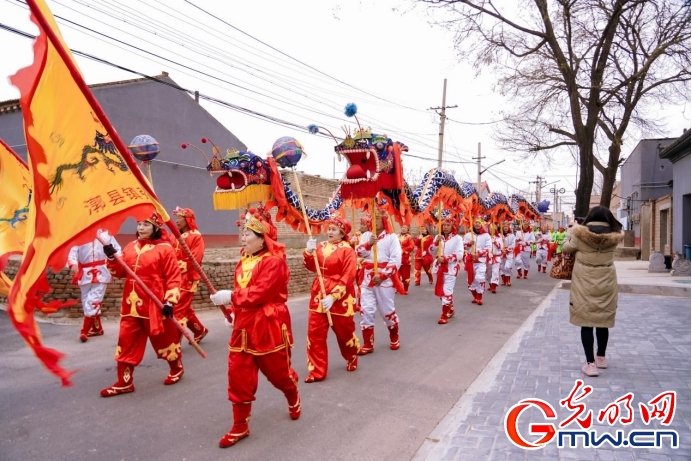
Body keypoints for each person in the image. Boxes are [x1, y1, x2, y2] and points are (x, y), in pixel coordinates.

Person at [209, 207, 300, 448]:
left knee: (278, 375)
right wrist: (233, 315)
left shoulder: (274, 262)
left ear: (263, 238)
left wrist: (231, 297)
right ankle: (240, 426)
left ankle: (291, 393)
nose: (243, 237)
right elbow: (244, 296)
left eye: (248, 233)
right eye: (243, 233)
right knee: (238, 375)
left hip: (267, 325)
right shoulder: (244, 261)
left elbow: (260, 293)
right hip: (244, 327)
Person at [100, 211, 184, 397]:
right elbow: (121, 273)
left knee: (164, 339)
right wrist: (112, 258)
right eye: (139, 224)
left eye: (146, 224)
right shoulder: (130, 247)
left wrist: (170, 301)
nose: (141, 228)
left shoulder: (165, 249)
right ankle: (124, 382)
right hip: (130, 304)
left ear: (155, 227)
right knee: (126, 340)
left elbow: (174, 278)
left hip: (155, 304)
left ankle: (176, 367)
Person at [561, 206, 624, 377]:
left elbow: (566, 248)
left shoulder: (579, 234)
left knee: (586, 321)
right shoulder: (615, 236)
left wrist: (570, 231)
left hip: (584, 280)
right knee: (602, 319)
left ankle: (590, 364)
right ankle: (601, 357)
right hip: (607, 279)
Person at [303, 215, 359, 382]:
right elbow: (312, 267)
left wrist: (334, 296)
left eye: (334, 229)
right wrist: (308, 252)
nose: (330, 232)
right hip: (319, 294)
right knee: (315, 335)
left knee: (344, 333)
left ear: (342, 233)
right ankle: (316, 371)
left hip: (339, 297)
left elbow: (348, 276)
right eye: (329, 228)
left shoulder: (347, 250)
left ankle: (352, 355)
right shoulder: (320, 246)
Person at [355, 209, 403, 354]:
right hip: (367, 278)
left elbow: (396, 259)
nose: (374, 221)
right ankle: (368, 344)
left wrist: (383, 275)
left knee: (387, 311)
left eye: (377, 218)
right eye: (372, 218)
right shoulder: (366, 235)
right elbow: (357, 252)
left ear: (384, 220)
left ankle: (394, 336)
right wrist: (368, 244)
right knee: (366, 310)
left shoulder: (392, 237)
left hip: (384, 279)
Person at [68, 230, 121, 342]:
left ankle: (84, 331)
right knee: (86, 300)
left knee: (93, 301)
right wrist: (73, 264)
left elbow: (118, 251)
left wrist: (113, 258)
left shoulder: (106, 235)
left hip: (102, 271)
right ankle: (97, 328)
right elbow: (71, 253)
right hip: (84, 273)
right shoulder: (78, 235)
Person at [170, 207, 209, 344]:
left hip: (187, 278)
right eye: (177, 218)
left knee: (177, 310)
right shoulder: (174, 235)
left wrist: (175, 266)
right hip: (173, 278)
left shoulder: (196, 237)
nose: (177, 221)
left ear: (187, 220)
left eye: (180, 218)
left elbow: (195, 259)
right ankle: (199, 330)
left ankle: (173, 342)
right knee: (183, 308)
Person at [429, 216, 463, 323]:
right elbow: (431, 251)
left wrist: (445, 259)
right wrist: (435, 243)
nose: (446, 227)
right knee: (441, 291)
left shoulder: (458, 239)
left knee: (447, 291)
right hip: (438, 269)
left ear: (453, 226)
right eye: (444, 225)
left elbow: (459, 255)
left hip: (450, 269)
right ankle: (450, 308)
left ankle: (444, 315)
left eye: (448, 225)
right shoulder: (439, 237)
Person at [463, 218, 492, 305]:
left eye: (479, 223)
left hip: (481, 261)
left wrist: (479, 253)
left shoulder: (486, 235)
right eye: (475, 222)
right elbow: (463, 246)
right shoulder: (468, 235)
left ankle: (479, 296)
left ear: (482, 224)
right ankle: (475, 296)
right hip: (470, 261)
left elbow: (488, 248)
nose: (477, 224)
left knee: (480, 278)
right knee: (471, 280)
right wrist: (469, 244)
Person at [398, 225, 415, 294]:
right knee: (396, 274)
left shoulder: (409, 237)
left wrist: (404, 250)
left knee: (405, 276)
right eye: (402, 227)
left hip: (405, 258)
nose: (403, 229)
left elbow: (412, 246)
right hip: (397, 258)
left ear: (407, 229)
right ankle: (397, 287)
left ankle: (405, 288)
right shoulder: (397, 236)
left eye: (405, 228)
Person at [487, 224, 503, 293]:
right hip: (488, 258)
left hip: (496, 257)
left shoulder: (499, 237)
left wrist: (495, 242)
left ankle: (494, 286)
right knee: (488, 273)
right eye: (490, 229)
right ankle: (490, 284)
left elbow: (501, 247)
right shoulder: (486, 237)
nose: (491, 230)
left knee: (495, 272)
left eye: (493, 229)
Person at [499, 222, 516, 286]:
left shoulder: (511, 235)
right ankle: (504, 280)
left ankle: (508, 280)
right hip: (501, 253)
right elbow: (497, 244)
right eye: (504, 226)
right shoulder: (499, 235)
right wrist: (501, 249)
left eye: (506, 226)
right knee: (502, 267)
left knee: (507, 267)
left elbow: (513, 244)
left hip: (509, 254)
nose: (505, 228)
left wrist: (507, 250)